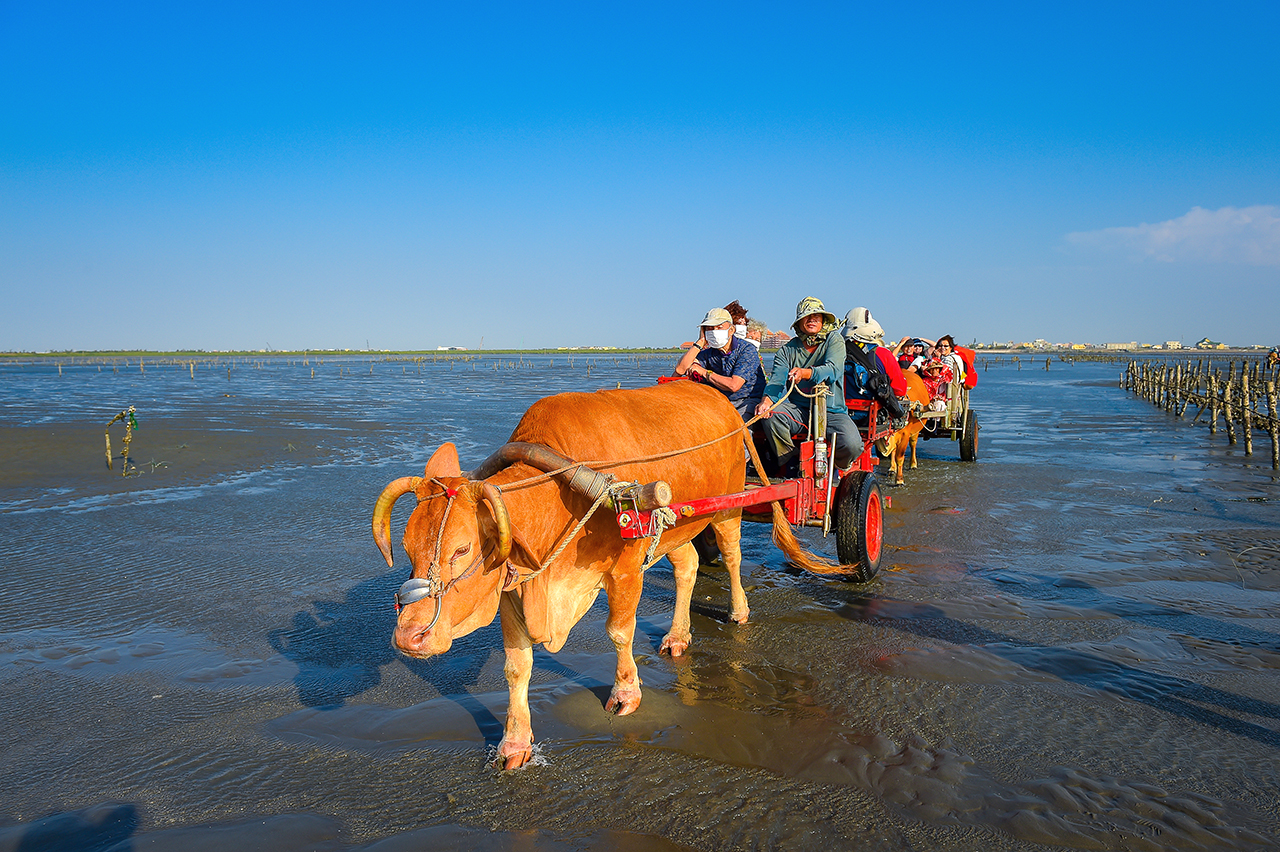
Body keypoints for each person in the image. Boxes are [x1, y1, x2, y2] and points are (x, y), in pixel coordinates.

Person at [755, 297, 863, 473]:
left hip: (832, 412)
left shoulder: (834, 340)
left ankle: (838, 465)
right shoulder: (787, 350)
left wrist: (806, 373)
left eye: (817, 316)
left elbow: (833, 370)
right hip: (800, 410)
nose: (812, 319)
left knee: (852, 444)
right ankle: (791, 461)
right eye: (807, 317)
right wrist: (766, 401)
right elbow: (777, 380)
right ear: (800, 322)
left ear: (823, 320)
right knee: (771, 416)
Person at [672, 307, 765, 420]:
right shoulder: (708, 353)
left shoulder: (747, 350)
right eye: (710, 329)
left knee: (737, 428)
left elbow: (734, 385)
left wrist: (705, 372)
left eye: (719, 327)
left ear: (731, 330)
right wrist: (700, 342)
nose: (714, 332)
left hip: (746, 400)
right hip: (720, 401)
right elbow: (680, 370)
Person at [842, 307, 908, 430]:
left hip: (839, 415)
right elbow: (900, 390)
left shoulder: (836, 352)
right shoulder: (883, 354)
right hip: (869, 417)